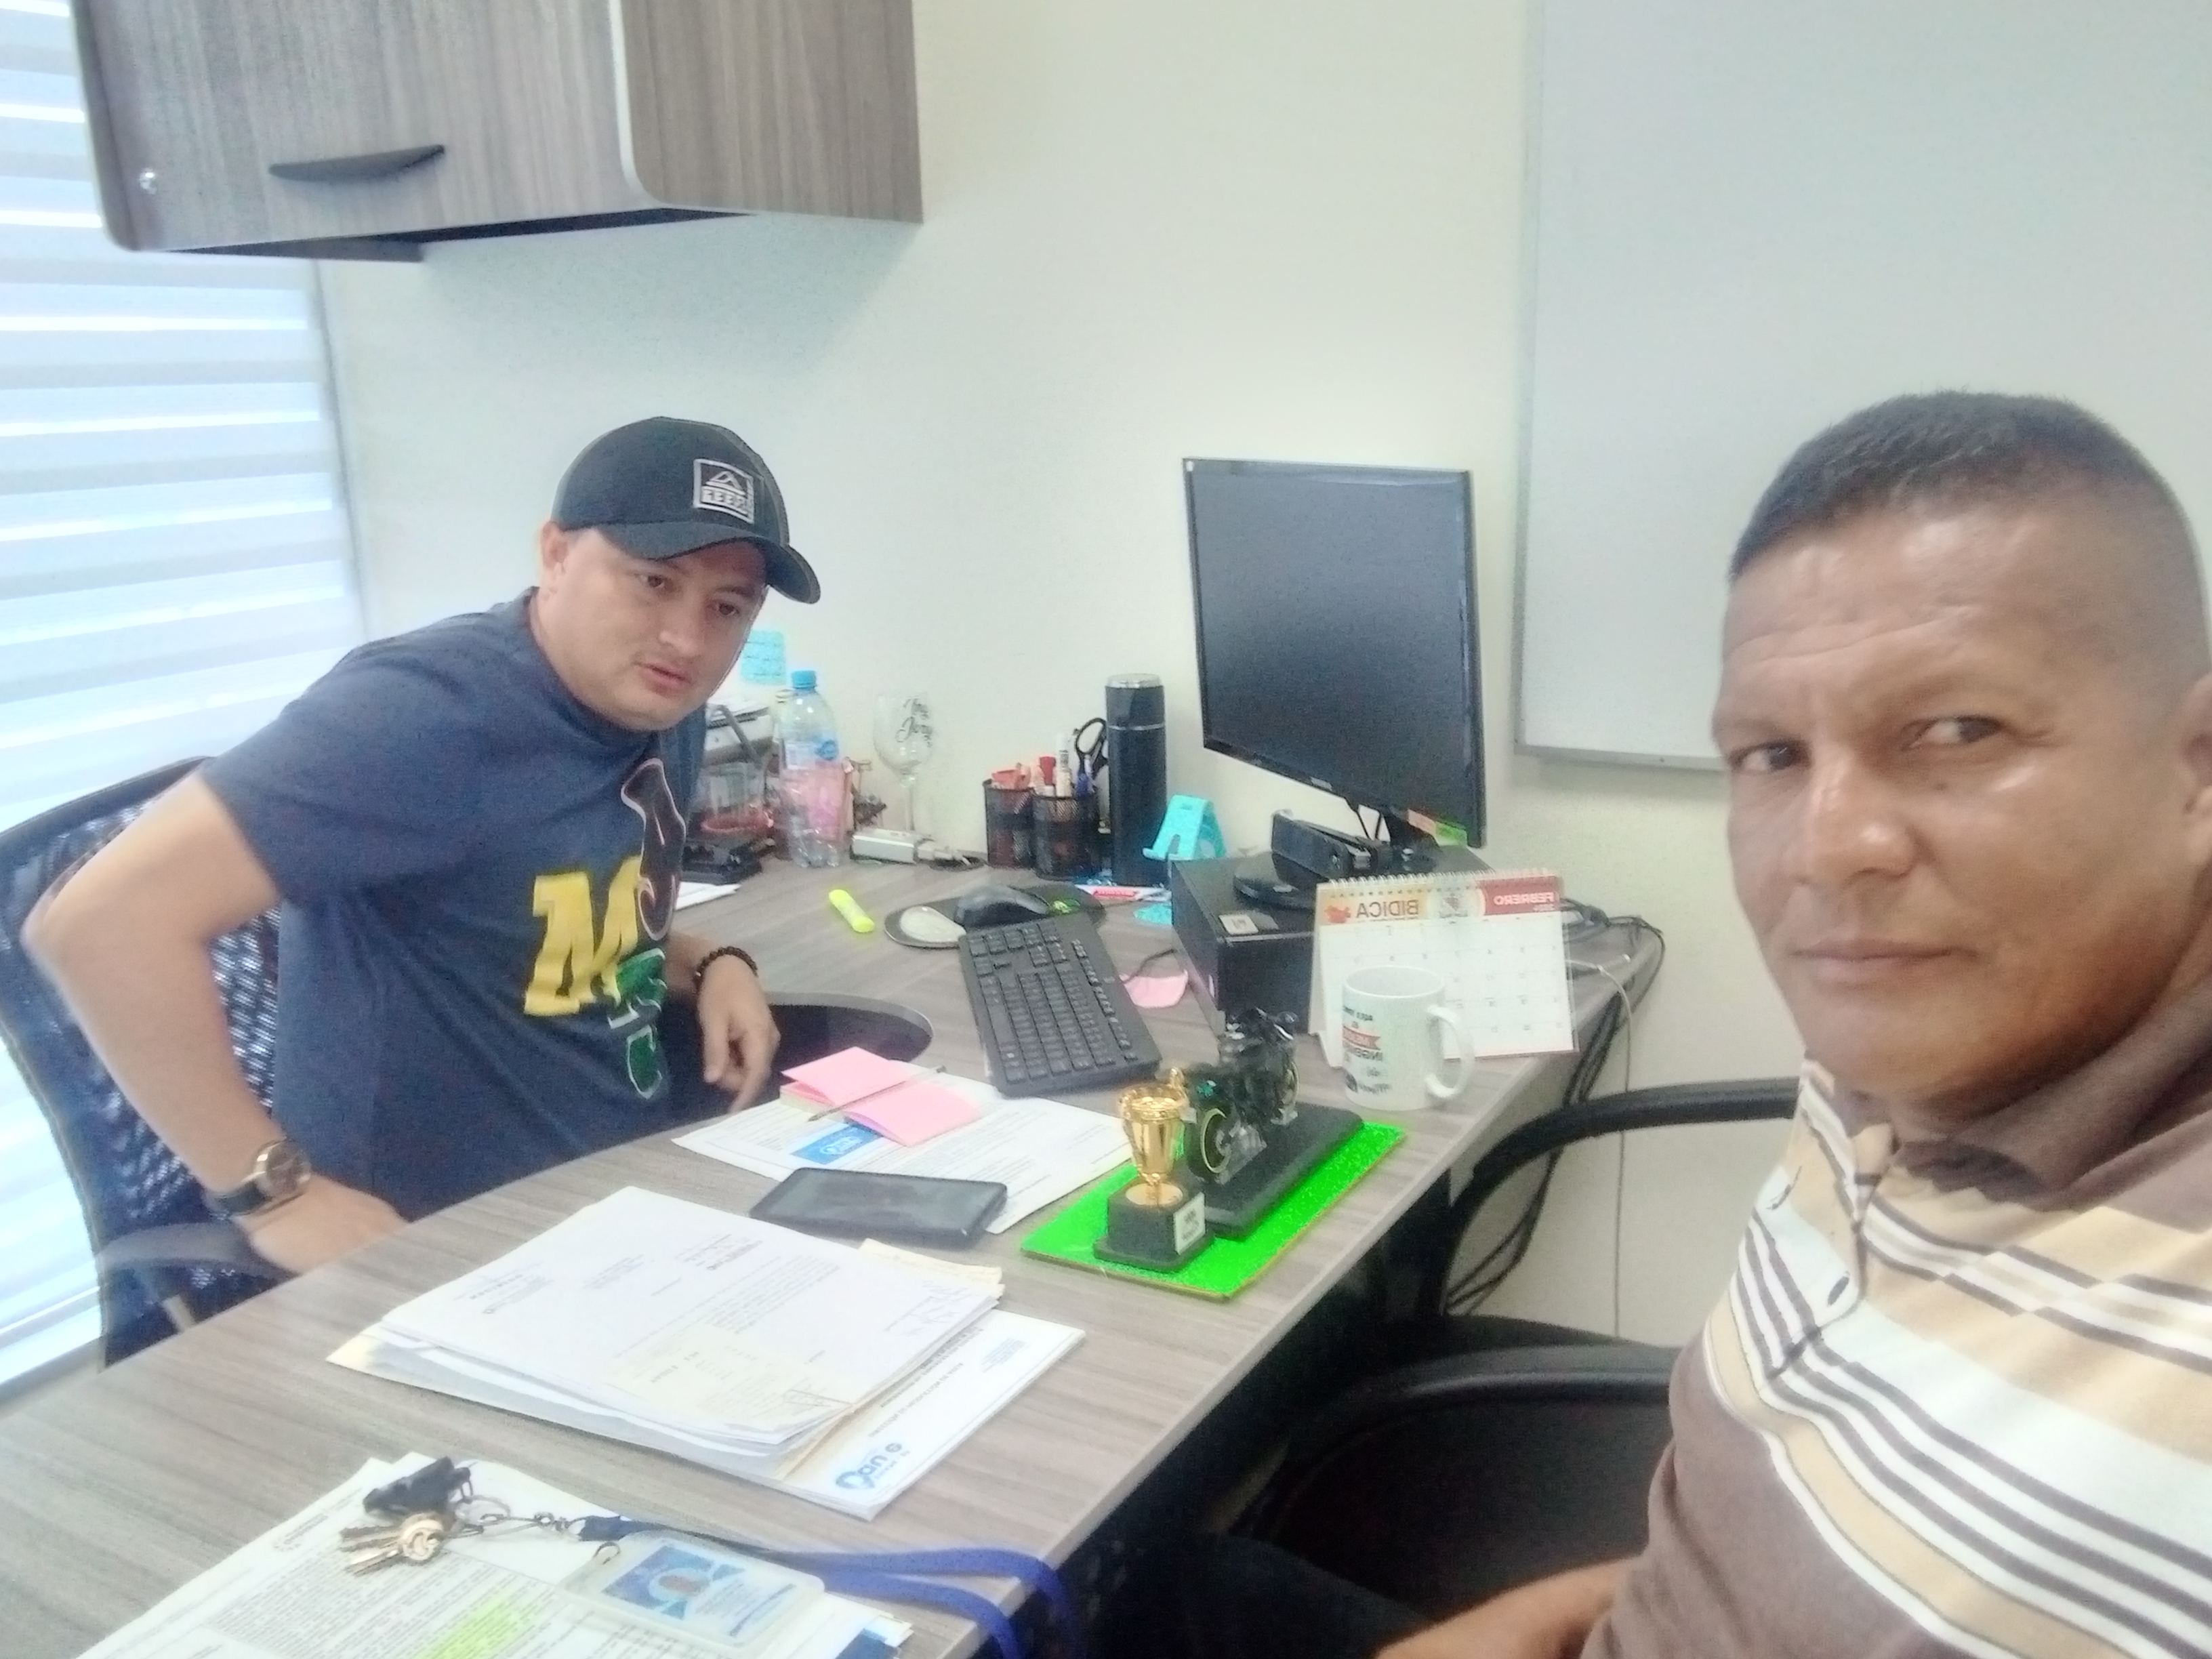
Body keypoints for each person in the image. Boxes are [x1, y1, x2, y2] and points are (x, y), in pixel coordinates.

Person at [1183, 390, 2212, 1659]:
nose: (1828, 848)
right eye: (1771, 754)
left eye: (1956, 730)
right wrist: (1523, 1624)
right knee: (1161, 1584)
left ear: (2197, 767)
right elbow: (1756, 1531)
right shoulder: (1897, 1049)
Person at [25, 416, 819, 1275]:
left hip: (613, 1203)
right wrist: (275, 1195)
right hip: (441, 1250)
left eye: (726, 607)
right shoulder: (422, 718)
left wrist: (711, 962)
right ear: (556, 554)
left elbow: (556, 924)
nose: (688, 639)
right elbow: (96, 926)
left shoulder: (659, 704)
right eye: (654, 582)